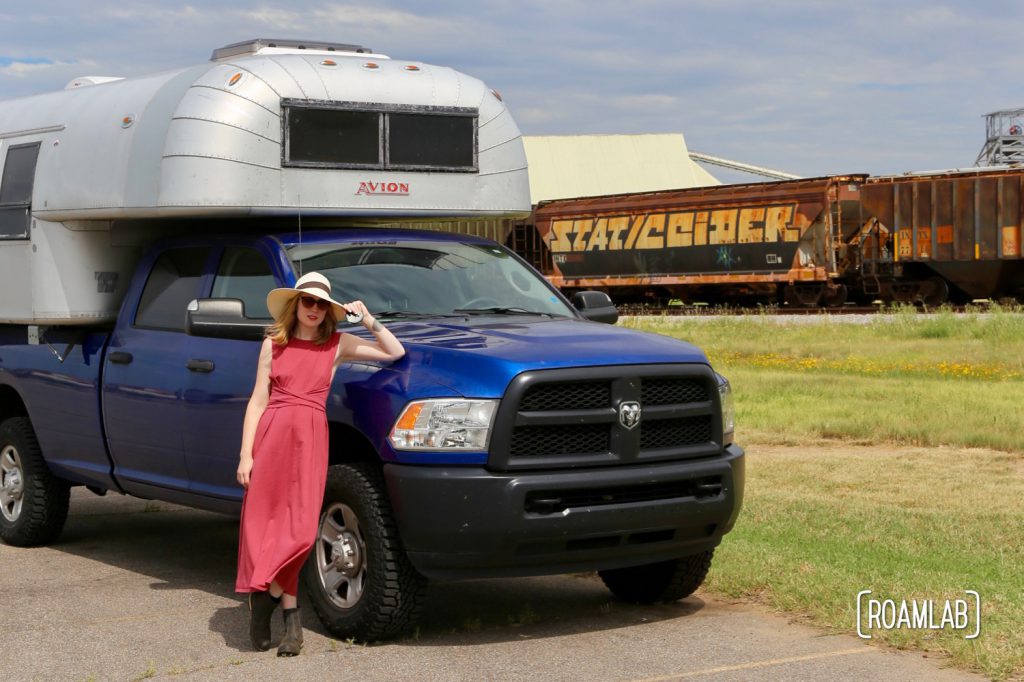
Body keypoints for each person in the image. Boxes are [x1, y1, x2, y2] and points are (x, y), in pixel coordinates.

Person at [234, 271, 405, 656]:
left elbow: (393, 352)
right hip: (272, 437)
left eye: (321, 304)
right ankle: (291, 624)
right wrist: (246, 454)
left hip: (310, 440)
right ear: (295, 305)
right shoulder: (272, 345)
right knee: (269, 528)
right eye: (307, 301)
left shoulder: (338, 343)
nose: (313, 309)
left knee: (300, 533)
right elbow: (257, 402)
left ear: (329, 311)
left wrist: (369, 320)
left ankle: (264, 599)